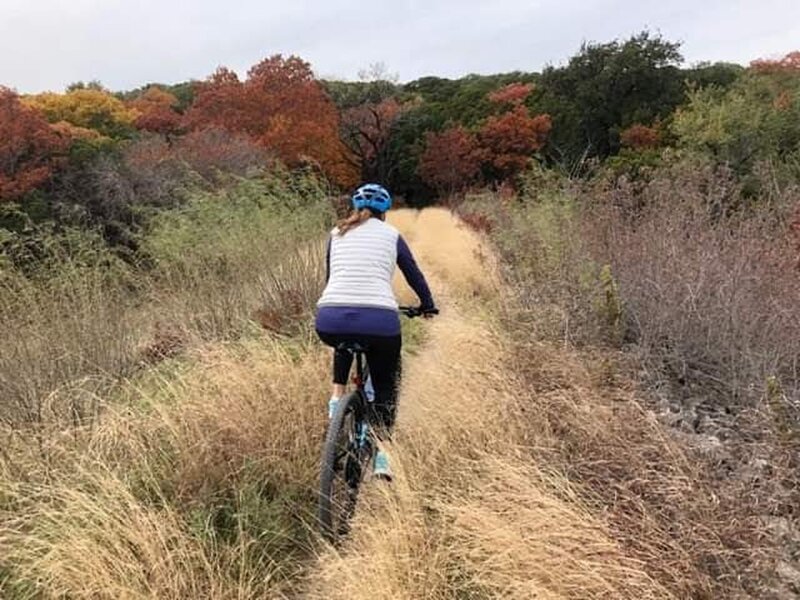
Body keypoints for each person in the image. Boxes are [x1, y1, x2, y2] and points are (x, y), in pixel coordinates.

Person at [315, 183, 437, 480]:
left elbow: (332, 278)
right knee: (387, 385)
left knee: (343, 340)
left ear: (355, 208)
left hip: (329, 318)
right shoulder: (391, 236)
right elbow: (414, 275)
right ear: (385, 214)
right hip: (379, 322)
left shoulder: (336, 234)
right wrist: (427, 305)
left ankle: (337, 399)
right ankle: (383, 456)